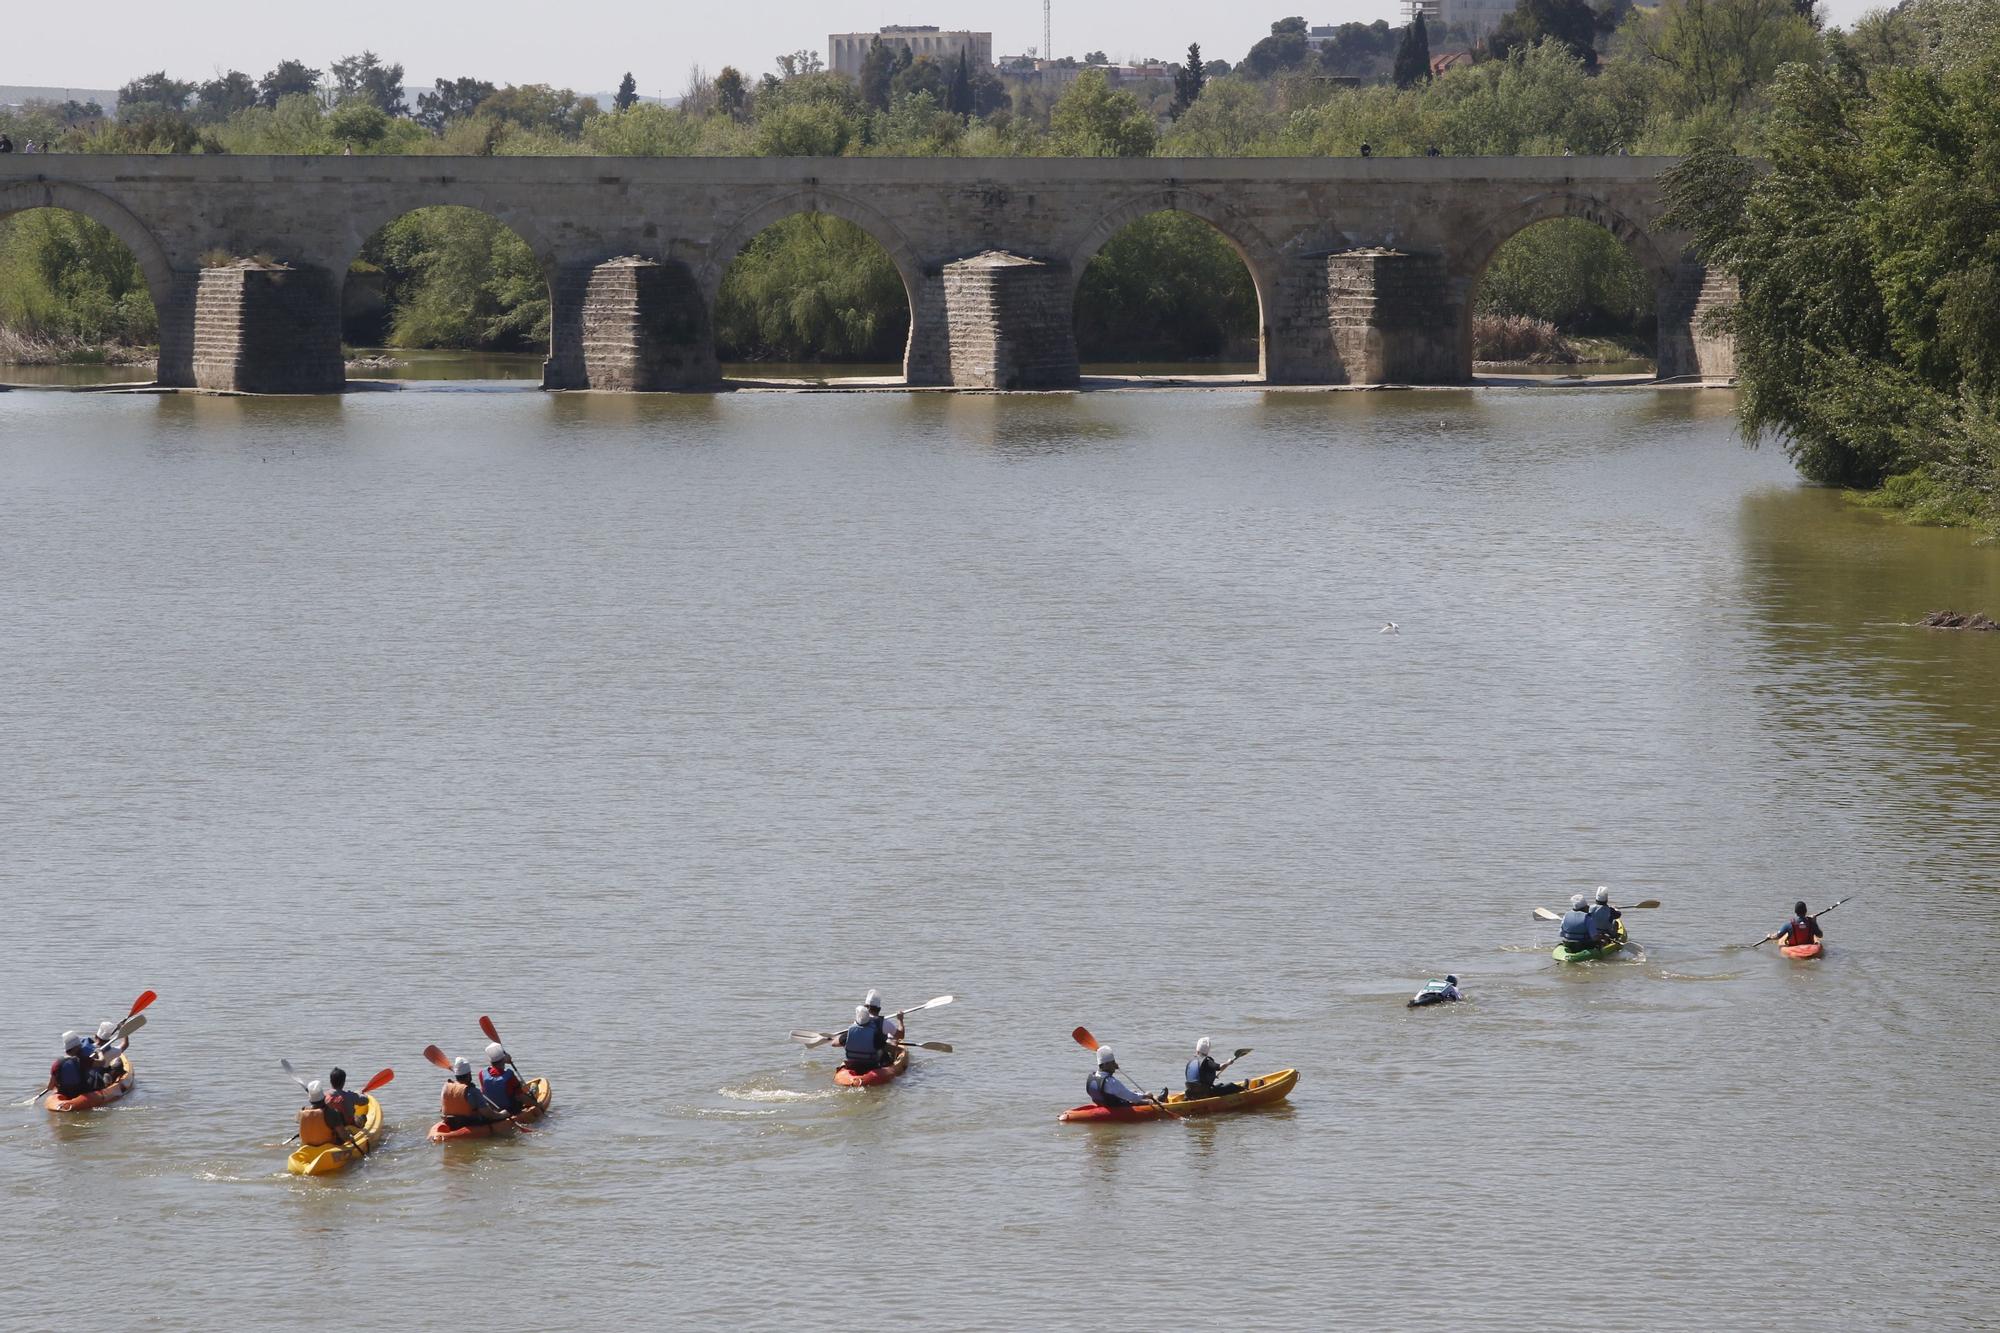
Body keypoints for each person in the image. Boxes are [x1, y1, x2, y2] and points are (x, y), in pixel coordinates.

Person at [1085, 1047, 1153, 1109]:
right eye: (1113, 1063)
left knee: (1132, 1092)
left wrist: (1113, 1065)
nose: (1116, 1064)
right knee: (1147, 1099)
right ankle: (1153, 1100)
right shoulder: (1111, 1082)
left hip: (1104, 1104)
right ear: (1105, 1065)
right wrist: (1145, 1096)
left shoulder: (1092, 1076)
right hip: (1116, 1106)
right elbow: (1131, 1097)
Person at [438, 1056, 493, 1131]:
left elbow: (442, 1109)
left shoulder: (445, 1087)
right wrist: (503, 1114)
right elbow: (488, 1114)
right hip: (468, 1123)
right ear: (469, 1075)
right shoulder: (473, 1091)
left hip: (450, 1122)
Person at [297, 1080, 354, 1150]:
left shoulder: (302, 1112)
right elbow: (344, 1136)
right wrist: (350, 1137)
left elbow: (298, 1120)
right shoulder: (331, 1113)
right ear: (324, 1097)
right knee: (348, 1131)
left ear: (310, 1100)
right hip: (327, 1146)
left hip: (308, 1146)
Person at [832, 1004, 889, 1074]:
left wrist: (839, 1038)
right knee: (883, 1053)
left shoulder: (848, 1034)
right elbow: (882, 1046)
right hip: (870, 1066)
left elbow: (834, 1044)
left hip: (853, 1065)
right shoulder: (875, 1034)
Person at [480, 1042, 524, 1116]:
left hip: (494, 1110)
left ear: (490, 1061)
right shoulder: (509, 1076)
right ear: (504, 1060)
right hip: (511, 1110)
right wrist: (536, 1104)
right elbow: (520, 1097)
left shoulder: (482, 1074)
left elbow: (484, 1091)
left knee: (518, 1084)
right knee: (518, 1088)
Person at [48, 1031, 92, 1099]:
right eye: (80, 1046)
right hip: (82, 1092)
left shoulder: (56, 1063)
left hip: (64, 1093)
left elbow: (50, 1087)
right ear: (77, 1048)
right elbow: (102, 1062)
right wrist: (99, 1053)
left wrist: (56, 1085)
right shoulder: (83, 1060)